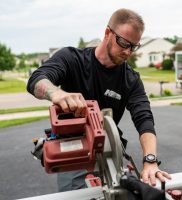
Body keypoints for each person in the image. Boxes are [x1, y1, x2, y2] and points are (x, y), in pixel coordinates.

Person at [27, 8, 171, 192]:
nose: (128, 52)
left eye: (133, 46)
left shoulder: (131, 79)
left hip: (110, 150)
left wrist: (150, 160)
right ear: (107, 33)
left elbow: (144, 120)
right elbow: (37, 78)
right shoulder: (72, 59)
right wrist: (56, 93)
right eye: (124, 43)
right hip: (75, 152)